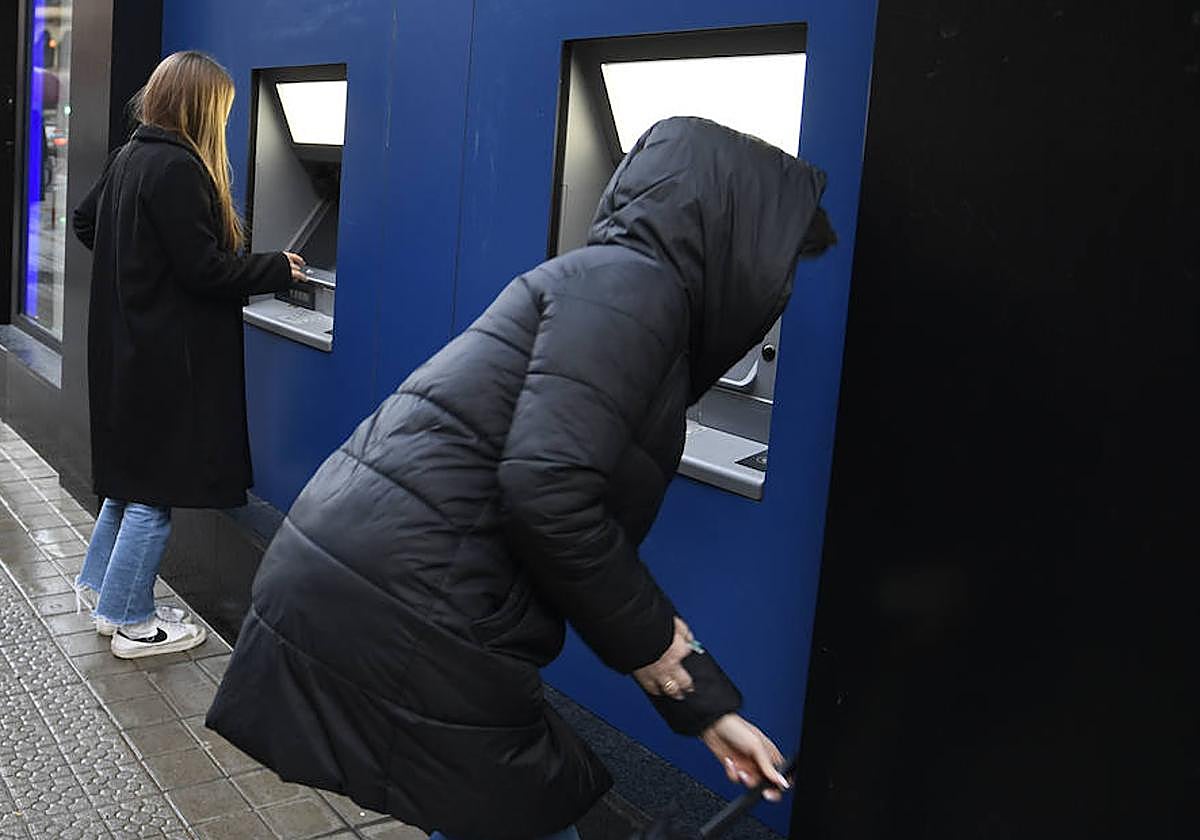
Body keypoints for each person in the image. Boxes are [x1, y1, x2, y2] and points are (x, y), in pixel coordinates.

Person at [206, 116, 836, 837]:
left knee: (488, 811)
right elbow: (549, 494)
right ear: (732, 238)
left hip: (392, 586)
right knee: (518, 814)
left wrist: (702, 705)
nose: (780, 289)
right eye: (779, 262)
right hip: (414, 605)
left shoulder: (612, 286)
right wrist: (670, 658)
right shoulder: (634, 292)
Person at [71, 51, 307, 659]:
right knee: (154, 491)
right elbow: (205, 270)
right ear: (200, 105)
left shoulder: (130, 156)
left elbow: (86, 223)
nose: (225, 119)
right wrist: (277, 268)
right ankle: (132, 621)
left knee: (129, 479)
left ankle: (99, 588)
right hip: (163, 361)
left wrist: (136, 270)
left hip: (128, 348)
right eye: (223, 107)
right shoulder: (178, 167)